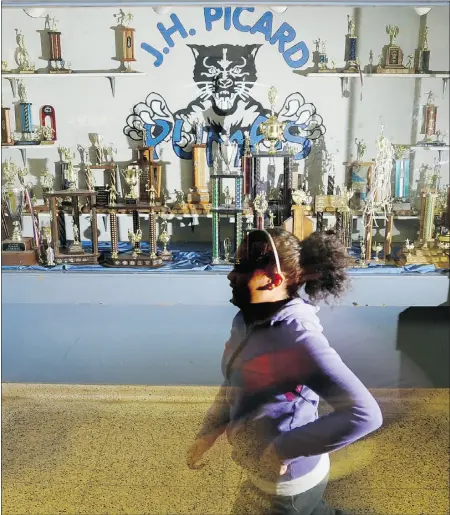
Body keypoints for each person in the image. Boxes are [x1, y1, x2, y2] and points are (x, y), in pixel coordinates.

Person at [187, 229, 383, 515]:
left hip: (287, 484)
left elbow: (365, 415)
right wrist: (209, 432)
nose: (231, 275)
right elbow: (234, 382)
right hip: (260, 468)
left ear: (275, 280)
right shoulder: (246, 319)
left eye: (244, 268)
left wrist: (282, 450)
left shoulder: (299, 338)